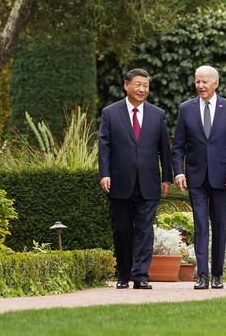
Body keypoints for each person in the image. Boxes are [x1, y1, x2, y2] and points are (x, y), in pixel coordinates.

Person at [172, 65, 226, 289]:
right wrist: (179, 171)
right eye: (197, 81)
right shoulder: (186, 109)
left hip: (223, 178)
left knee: (220, 225)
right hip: (195, 177)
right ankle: (202, 276)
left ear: (216, 83)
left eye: (204, 81)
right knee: (200, 226)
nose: (200, 85)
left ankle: (217, 276)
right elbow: (178, 146)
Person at [98, 68, 173, 289]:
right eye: (138, 84)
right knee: (122, 230)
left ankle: (140, 276)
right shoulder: (110, 113)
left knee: (144, 230)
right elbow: (104, 147)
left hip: (148, 182)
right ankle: (123, 274)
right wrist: (105, 174)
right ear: (126, 85)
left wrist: (166, 178)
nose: (142, 89)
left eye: (145, 86)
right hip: (120, 182)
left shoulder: (157, 114)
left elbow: (164, 149)